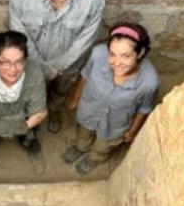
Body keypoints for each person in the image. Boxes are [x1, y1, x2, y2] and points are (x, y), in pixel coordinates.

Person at [9, 0, 105, 134]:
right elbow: (19, 35)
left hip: (68, 67)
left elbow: (86, 40)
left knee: (60, 92)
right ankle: (33, 117)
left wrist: (58, 67)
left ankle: (54, 111)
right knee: (32, 91)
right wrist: (41, 67)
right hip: (33, 63)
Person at [63, 23, 160, 175]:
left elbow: (144, 108)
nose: (116, 62)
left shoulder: (149, 82)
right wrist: (75, 98)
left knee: (103, 146)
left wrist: (132, 131)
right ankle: (80, 147)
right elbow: (85, 76)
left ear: (140, 53)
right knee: (83, 133)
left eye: (125, 56)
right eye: (112, 54)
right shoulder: (97, 54)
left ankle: (93, 158)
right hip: (89, 111)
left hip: (115, 125)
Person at [0, 30, 48, 162]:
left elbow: (38, 111)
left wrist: (29, 122)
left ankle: (27, 141)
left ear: (25, 60)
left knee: (33, 130)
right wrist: (26, 124)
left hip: (21, 112)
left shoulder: (35, 73)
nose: (13, 70)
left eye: (19, 62)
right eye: (6, 62)